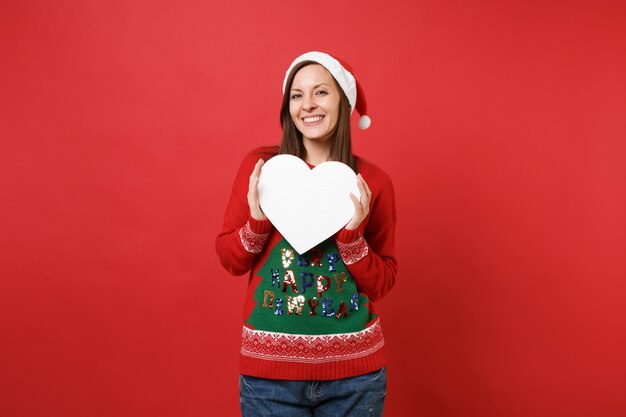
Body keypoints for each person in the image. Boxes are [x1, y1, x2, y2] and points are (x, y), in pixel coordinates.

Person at [215, 51, 397, 417]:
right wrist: (257, 220)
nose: (308, 105)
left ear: (343, 102)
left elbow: (383, 282)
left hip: (356, 378)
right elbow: (230, 260)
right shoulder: (261, 169)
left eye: (321, 92)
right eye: (297, 95)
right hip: (270, 378)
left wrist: (351, 240)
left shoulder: (373, 183)